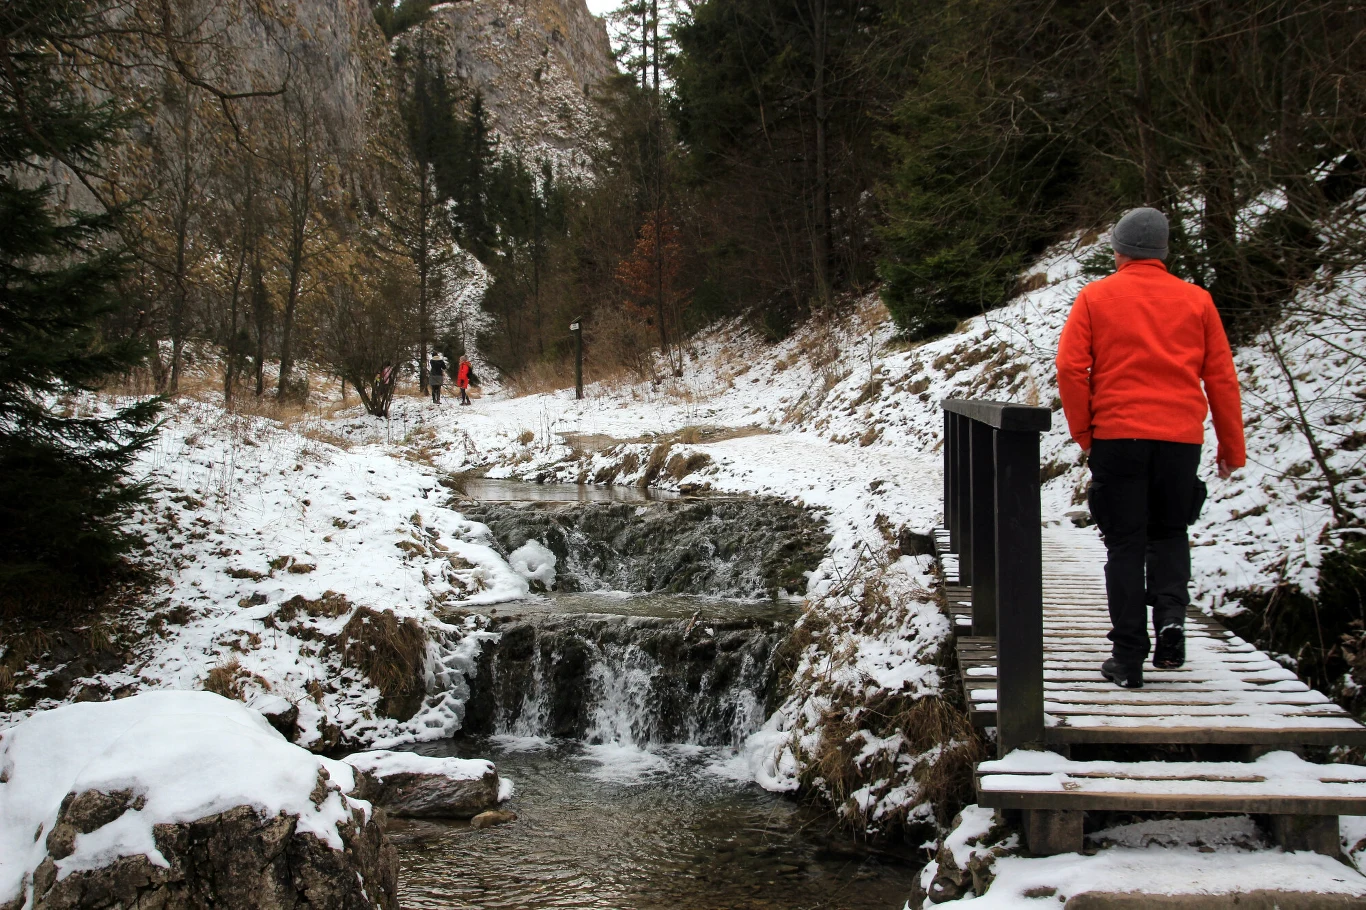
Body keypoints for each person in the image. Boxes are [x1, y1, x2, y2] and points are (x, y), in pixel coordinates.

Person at [1055, 207, 1246, 689]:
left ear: (1118, 250)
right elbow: (1221, 376)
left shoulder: (1096, 297)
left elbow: (1070, 369)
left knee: (1125, 545)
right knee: (1169, 533)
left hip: (1118, 436)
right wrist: (1231, 446)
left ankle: (1127, 659)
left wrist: (1085, 432)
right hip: (1180, 440)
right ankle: (1171, 620)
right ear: (1163, 251)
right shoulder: (1197, 301)